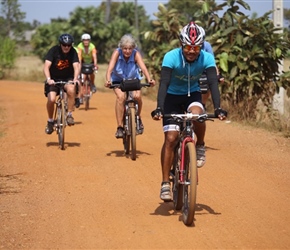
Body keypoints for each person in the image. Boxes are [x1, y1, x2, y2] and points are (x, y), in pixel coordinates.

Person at [151, 22, 227, 201]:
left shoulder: (207, 58)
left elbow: (213, 84)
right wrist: (160, 108)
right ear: (181, 45)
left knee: (199, 117)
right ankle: (164, 184)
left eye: (196, 48)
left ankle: (199, 145)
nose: (192, 51)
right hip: (171, 97)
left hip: (192, 95)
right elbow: (164, 84)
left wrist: (218, 108)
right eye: (187, 47)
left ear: (201, 46)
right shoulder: (171, 57)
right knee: (170, 138)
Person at [105, 34, 156, 138]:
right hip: (118, 80)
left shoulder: (136, 54)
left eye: (130, 49)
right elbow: (110, 68)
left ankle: (138, 117)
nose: (127, 51)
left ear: (133, 48)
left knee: (137, 97)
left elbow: (144, 68)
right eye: (125, 48)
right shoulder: (116, 53)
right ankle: (119, 127)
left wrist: (149, 79)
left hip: (133, 80)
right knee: (121, 97)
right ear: (121, 48)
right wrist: (108, 80)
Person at [43, 33, 80, 134]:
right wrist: (49, 79)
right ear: (60, 44)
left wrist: (75, 78)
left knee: (71, 89)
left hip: (67, 79)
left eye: (69, 45)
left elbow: (76, 66)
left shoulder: (73, 52)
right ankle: (50, 121)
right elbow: (46, 66)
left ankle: (69, 115)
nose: (67, 47)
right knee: (51, 99)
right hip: (53, 80)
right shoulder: (53, 51)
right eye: (64, 45)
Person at [201, 40, 224, 109]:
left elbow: (212, 62)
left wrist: (217, 76)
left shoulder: (206, 45)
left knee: (209, 83)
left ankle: (203, 105)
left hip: (206, 69)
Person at [77, 33, 98, 97]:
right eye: (84, 40)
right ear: (82, 41)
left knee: (92, 73)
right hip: (83, 61)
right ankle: (80, 93)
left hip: (90, 61)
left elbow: (94, 56)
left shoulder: (92, 46)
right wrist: (79, 66)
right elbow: (79, 56)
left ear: (89, 41)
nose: (86, 42)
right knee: (81, 76)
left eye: (87, 40)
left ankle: (92, 84)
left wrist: (95, 65)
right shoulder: (80, 46)